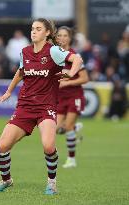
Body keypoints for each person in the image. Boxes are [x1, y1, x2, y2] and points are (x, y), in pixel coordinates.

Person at [0, 19, 83, 194]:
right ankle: (6, 180)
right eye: (32, 29)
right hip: (25, 106)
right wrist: (9, 91)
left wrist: (71, 72)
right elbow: (20, 72)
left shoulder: (54, 51)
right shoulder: (25, 52)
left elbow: (76, 58)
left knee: (48, 146)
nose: (33, 32)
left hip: (46, 106)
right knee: (2, 147)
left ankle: (51, 183)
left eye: (38, 29)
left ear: (47, 33)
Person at [55, 26, 89, 168]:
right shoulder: (54, 55)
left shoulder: (75, 56)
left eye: (65, 35)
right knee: (55, 129)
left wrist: (67, 82)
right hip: (60, 98)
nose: (62, 38)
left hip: (75, 96)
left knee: (67, 126)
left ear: (70, 38)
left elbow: (85, 78)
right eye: (59, 35)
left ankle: (71, 159)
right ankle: (74, 128)